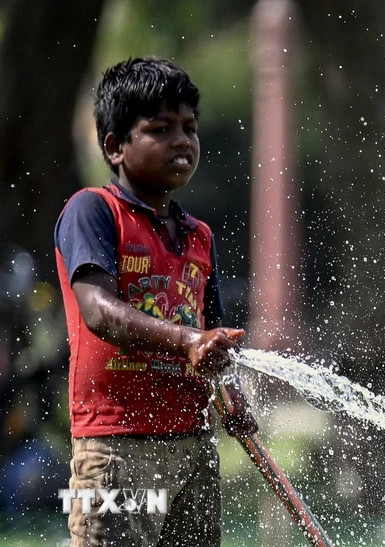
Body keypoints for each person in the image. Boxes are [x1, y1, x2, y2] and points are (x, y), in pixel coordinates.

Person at [54, 57, 257, 546]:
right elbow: (99, 311)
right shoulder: (94, 211)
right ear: (114, 146)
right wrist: (189, 341)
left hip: (192, 445)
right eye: (161, 129)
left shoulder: (198, 236)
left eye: (189, 127)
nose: (182, 141)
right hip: (116, 446)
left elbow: (211, 338)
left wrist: (228, 396)